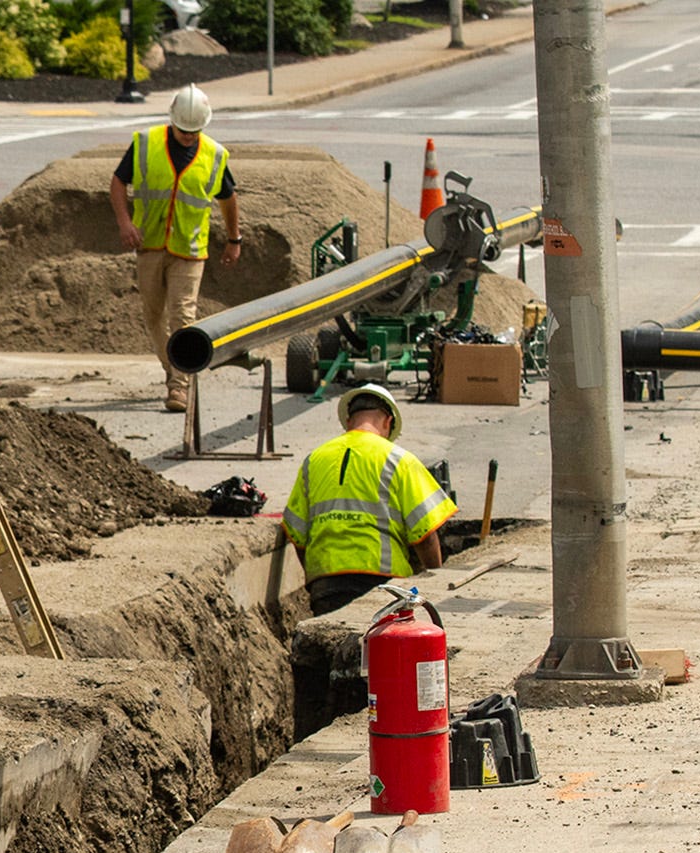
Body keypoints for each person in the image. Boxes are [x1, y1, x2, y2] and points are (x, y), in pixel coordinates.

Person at [108, 83, 242, 413]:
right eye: (183, 129)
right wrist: (125, 223)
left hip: (189, 250)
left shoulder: (214, 155)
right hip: (150, 245)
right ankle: (173, 368)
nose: (188, 135)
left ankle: (178, 385)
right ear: (172, 121)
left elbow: (228, 199)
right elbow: (117, 182)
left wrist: (234, 239)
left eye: (194, 130)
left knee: (184, 317)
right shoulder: (145, 143)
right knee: (154, 317)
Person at [281, 383, 456, 616]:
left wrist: (319, 576)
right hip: (385, 586)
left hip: (326, 585)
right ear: (387, 422)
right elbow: (425, 535)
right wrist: (436, 582)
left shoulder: (313, 460)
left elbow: (296, 534)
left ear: (349, 419)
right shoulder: (399, 460)